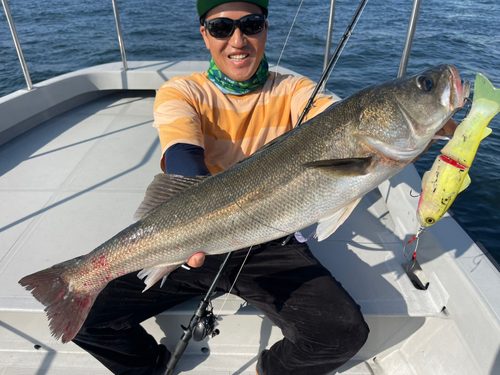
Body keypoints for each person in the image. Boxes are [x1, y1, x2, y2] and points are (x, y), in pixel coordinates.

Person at [73, 1, 456, 374]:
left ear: (265, 30)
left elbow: (336, 117)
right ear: (205, 35)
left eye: (251, 25)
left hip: (270, 242)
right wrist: (192, 231)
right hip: (194, 235)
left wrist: (430, 129)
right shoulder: (182, 91)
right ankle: (149, 366)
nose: (237, 40)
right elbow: (182, 156)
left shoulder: (294, 90)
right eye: (222, 27)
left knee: (342, 333)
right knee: (86, 320)